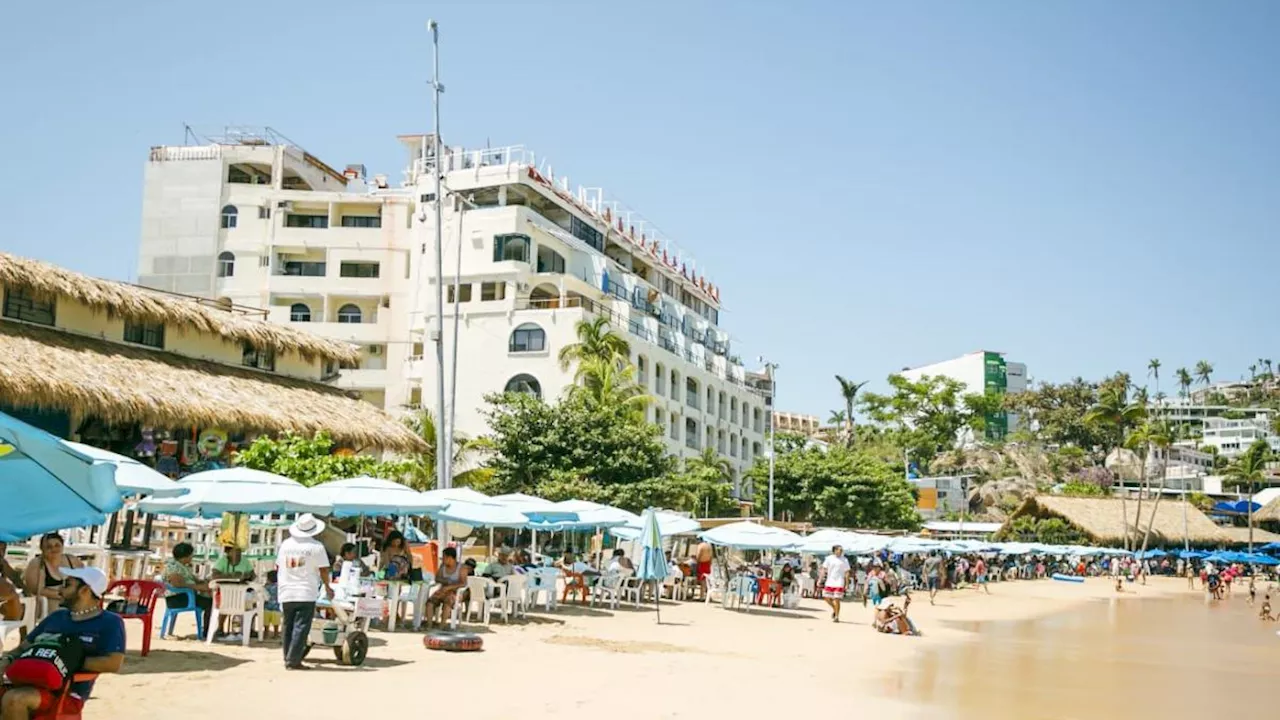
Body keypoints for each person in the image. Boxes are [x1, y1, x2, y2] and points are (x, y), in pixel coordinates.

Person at [0, 567, 124, 718]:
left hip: (66, 692)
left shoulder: (109, 622)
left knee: (15, 699)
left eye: (66, 585)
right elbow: (23, 648)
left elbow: (113, 663)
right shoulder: (57, 617)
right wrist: (6, 659)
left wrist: (63, 662)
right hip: (30, 680)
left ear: (84, 590)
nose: (59, 590)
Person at [275, 514, 332, 671]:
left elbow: (278, 566)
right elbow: (324, 570)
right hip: (306, 591)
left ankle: (288, 656)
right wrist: (327, 586)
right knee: (301, 626)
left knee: (288, 625)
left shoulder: (285, 545)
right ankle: (293, 660)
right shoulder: (316, 547)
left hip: (286, 590)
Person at [163, 542, 214, 636]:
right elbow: (177, 584)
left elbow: (193, 580)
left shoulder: (184, 567)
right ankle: (207, 632)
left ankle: (207, 630)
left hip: (186, 596)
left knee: (210, 599)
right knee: (211, 604)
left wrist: (203, 582)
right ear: (185, 556)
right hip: (178, 598)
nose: (192, 557)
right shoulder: (173, 566)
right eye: (191, 555)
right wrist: (198, 587)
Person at [21, 533, 82, 605]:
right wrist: (62, 594)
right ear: (42, 548)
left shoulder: (72, 560)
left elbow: (83, 580)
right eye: (49, 547)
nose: (53, 549)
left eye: (57, 545)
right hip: (47, 607)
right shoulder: (37, 564)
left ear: (62, 546)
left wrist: (73, 590)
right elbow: (35, 590)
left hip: (72, 605)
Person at [424, 547, 469, 628]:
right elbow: (437, 578)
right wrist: (445, 581)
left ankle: (442, 625)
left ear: (450, 558)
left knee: (448, 602)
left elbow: (463, 583)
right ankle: (429, 625)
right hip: (443, 590)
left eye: (444, 557)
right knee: (430, 602)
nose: (442, 559)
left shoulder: (462, 568)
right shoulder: (443, 567)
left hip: (455, 592)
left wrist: (450, 587)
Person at [820, 545, 851, 623]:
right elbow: (824, 569)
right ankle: (834, 608)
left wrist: (847, 584)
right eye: (839, 550)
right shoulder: (829, 558)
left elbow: (847, 572)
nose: (840, 551)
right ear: (834, 550)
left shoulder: (844, 560)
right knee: (826, 597)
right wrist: (820, 579)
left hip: (839, 581)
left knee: (836, 599)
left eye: (841, 550)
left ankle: (837, 616)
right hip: (830, 581)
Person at [262, 570, 281, 640]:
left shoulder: (266, 587)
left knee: (266, 623)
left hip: (266, 608)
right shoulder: (278, 587)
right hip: (276, 608)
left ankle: (266, 634)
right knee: (276, 623)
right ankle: (276, 634)